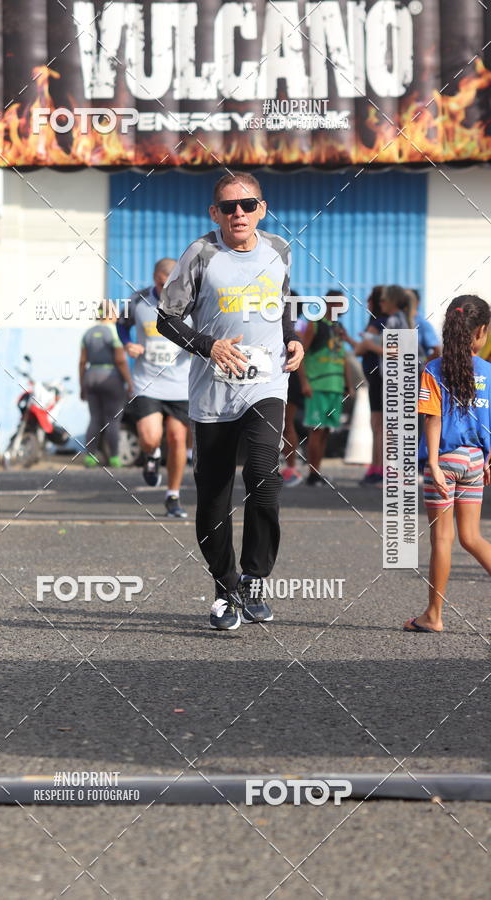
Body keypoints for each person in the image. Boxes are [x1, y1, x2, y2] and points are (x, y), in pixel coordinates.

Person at [156, 171, 304, 630]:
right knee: (214, 498)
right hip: (214, 391)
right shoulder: (201, 254)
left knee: (263, 474)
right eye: (228, 207)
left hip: (267, 385)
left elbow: (280, 307)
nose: (238, 213)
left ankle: (254, 580)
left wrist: (292, 340)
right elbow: (166, 319)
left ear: (262, 208)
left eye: (247, 205)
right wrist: (210, 346)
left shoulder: (279, 249)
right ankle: (225, 586)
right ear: (214, 213)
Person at [404, 295, 491, 633]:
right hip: (474, 461)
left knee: (443, 539)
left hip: (445, 460)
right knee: (472, 536)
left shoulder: (434, 370)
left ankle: (433, 616)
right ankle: (432, 615)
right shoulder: (488, 372)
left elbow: (433, 420)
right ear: (480, 332)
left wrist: (436, 466)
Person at [117, 259, 191, 518]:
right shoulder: (138, 300)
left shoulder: (191, 299)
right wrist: (128, 344)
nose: (166, 288)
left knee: (177, 438)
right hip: (148, 381)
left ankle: (173, 496)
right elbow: (121, 325)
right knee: (149, 437)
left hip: (181, 384)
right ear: (154, 278)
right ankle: (152, 454)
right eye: (162, 283)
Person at [302, 291, 354, 486]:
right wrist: (305, 382)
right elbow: (301, 354)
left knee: (325, 432)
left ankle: (318, 472)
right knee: (316, 430)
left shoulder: (339, 328)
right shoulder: (315, 324)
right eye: (341, 304)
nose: (344, 308)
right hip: (318, 385)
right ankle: (311, 474)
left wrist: (348, 383)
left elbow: (344, 357)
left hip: (335, 386)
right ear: (330, 303)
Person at [342, 286, 386, 486]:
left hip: (379, 378)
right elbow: (362, 348)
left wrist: (366, 344)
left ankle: (378, 468)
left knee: (378, 425)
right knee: (379, 424)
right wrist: (352, 341)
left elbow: (361, 350)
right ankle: (377, 466)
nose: (367, 303)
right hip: (378, 377)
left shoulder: (377, 323)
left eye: (369, 300)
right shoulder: (382, 323)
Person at [79, 305, 133, 468]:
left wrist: (82, 385)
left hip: (91, 376)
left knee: (95, 418)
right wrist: (129, 382)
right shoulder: (114, 332)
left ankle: (90, 457)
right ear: (111, 314)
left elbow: (82, 362)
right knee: (113, 420)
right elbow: (121, 361)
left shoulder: (87, 333)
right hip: (111, 378)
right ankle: (115, 458)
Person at [280, 291, 311, 487]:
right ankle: (289, 465)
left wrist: (304, 381)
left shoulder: (295, 329)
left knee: (286, 423)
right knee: (285, 423)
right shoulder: (303, 326)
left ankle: (291, 467)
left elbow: (300, 358)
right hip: (292, 378)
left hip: (291, 377)